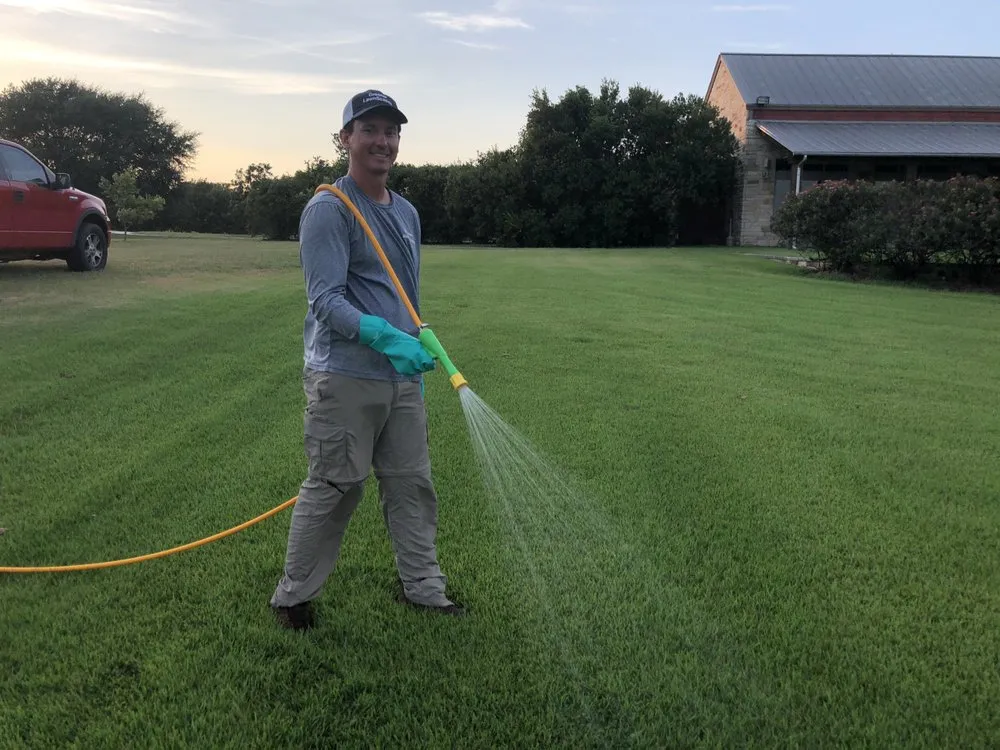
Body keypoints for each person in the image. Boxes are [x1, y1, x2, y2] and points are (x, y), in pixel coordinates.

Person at [270, 89, 463, 630]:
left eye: (392, 131)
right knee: (335, 488)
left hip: (400, 379)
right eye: (370, 129)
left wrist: (415, 339)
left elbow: (405, 292)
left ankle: (424, 590)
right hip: (346, 377)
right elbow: (325, 300)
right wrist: (382, 335)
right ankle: (293, 598)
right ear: (346, 138)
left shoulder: (405, 212)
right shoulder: (329, 209)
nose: (383, 140)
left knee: (412, 485)